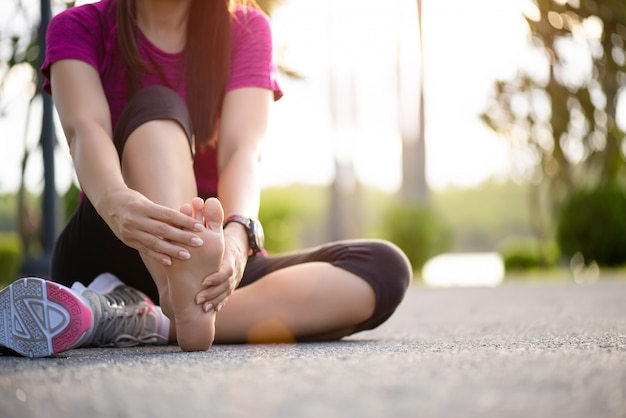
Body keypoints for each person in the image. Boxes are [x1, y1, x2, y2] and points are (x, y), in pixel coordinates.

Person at [0, 0, 412, 358]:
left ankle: (135, 318)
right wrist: (117, 203)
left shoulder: (247, 30)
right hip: (115, 235)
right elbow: (84, 130)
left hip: (209, 256)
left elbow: (242, 151)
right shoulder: (78, 26)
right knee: (157, 107)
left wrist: (237, 238)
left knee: (383, 269)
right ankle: (176, 299)